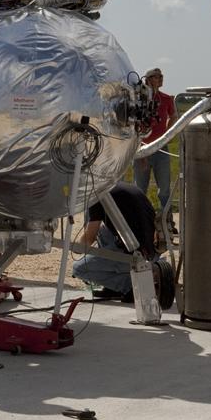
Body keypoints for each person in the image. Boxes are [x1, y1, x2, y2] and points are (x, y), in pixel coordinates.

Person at [71, 181, 174, 307]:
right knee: (104, 231)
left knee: (79, 269)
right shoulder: (123, 187)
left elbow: (88, 240)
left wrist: (75, 248)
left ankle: (128, 287)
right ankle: (112, 287)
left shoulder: (98, 193)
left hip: (138, 255)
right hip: (151, 249)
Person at [133, 67, 177, 228]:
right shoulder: (139, 99)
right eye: (157, 77)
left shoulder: (166, 99)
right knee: (139, 189)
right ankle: (138, 222)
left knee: (164, 189)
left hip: (161, 149)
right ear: (149, 79)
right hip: (142, 149)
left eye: (161, 76)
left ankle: (167, 223)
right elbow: (134, 125)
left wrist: (167, 132)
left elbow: (174, 116)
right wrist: (140, 151)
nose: (160, 79)